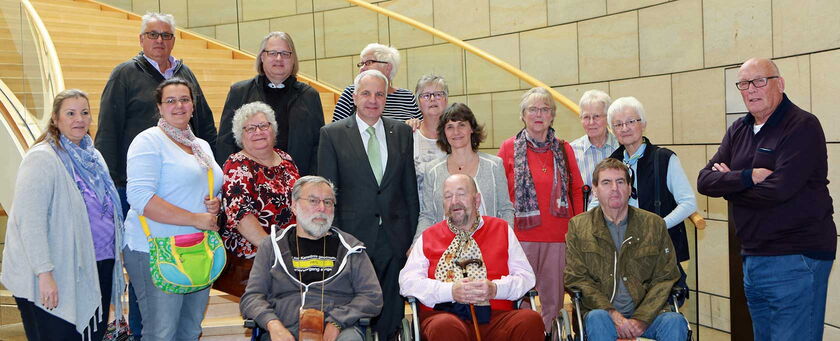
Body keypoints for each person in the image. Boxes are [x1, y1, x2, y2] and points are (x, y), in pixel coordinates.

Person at [94, 13, 218, 336]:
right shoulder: (124, 75)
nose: (160, 40)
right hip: (143, 210)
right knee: (154, 321)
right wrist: (113, 191)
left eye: (166, 35)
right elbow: (107, 133)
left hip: (190, 238)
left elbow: (206, 126)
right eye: (153, 34)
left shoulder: (185, 74)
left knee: (186, 326)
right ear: (141, 39)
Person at [697, 57, 836, 341]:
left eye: (759, 81)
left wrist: (729, 183)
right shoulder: (739, 129)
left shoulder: (802, 126)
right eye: (744, 84)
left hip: (796, 258)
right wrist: (748, 176)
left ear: (780, 84)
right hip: (753, 258)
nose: (751, 89)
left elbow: (779, 190)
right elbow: (704, 180)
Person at [0, 90, 125, 341]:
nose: (79, 119)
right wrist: (44, 274)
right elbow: (30, 222)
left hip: (95, 265)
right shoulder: (42, 158)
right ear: (55, 119)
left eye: (84, 112)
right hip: (54, 271)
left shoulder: (94, 156)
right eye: (70, 113)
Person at [317, 69, 419, 338]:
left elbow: (409, 189)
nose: (373, 100)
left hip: (394, 239)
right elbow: (328, 195)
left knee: (390, 314)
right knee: (355, 312)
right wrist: (334, 238)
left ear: (386, 98)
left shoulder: (401, 133)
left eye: (379, 94)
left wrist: (411, 238)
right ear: (354, 97)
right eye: (366, 93)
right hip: (351, 239)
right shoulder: (332, 134)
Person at [122, 78, 224, 340]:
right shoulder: (148, 141)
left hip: (197, 248)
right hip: (155, 248)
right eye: (170, 100)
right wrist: (195, 218)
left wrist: (215, 202)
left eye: (184, 99)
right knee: (161, 333)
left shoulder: (201, 145)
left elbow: (204, 187)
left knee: (190, 330)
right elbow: (140, 198)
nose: (178, 105)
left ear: (193, 105)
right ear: (159, 106)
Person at [399, 174, 543, 341]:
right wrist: (450, 291)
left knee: (529, 320)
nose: (454, 201)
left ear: (477, 199)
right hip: (445, 316)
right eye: (448, 196)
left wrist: (495, 289)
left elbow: (526, 277)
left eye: (461, 194)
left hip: (496, 317)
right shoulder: (428, 236)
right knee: (444, 327)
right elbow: (407, 282)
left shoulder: (501, 229)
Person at [240, 176, 383, 341]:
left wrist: (337, 322)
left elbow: (372, 296)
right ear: (294, 206)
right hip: (284, 326)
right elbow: (252, 297)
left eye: (328, 202)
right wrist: (273, 324)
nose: (322, 208)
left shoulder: (351, 248)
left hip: (339, 328)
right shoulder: (272, 246)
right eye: (313, 201)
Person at [565, 158, 687, 341]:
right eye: (606, 182)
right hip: (602, 315)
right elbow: (576, 278)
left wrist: (641, 319)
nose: (614, 188)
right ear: (596, 190)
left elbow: (666, 277)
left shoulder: (653, 224)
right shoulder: (579, 226)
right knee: (598, 318)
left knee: (675, 321)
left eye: (620, 181)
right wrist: (614, 315)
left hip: (648, 316)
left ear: (630, 189)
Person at [587, 96, 696, 295]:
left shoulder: (664, 158)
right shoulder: (611, 162)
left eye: (631, 121)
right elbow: (595, 203)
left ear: (643, 124)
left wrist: (657, 226)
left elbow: (688, 203)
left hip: (660, 252)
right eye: (618, 124)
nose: (625, 128)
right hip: (620, 253)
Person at [497, 87, 584, 331]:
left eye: (545, 109)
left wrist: (576, 230)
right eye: (532, 109)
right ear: (522, 115)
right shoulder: (508, 148)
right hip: (521, 238)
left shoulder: (564, 149)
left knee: (553, 302)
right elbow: (500, 194)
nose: (539, 114)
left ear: (553, 115)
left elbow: (576, 190)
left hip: (558, 238)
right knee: (521, 300)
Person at [218, 101, 301, 296]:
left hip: (291, 253)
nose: (259, 132)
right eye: (250, 128)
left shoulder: (286, 159)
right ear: (241, 135)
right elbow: (241, 217)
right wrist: (276, 252)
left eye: (264, 126)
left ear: (273, 130)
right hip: (257, 257)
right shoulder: (237, 165)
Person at [215, 32, 324, 175]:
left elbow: (319, 146)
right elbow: (225, 142)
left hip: (297, 183)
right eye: (272, 53)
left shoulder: (309, 96)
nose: (279, 59)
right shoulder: (240, 92)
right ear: (262, 57)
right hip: (249, 183)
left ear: (293, 60)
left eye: (285, 53)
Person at [416, 102, 514, 239]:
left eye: (461, 125)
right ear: (444, 132)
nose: (456, 132)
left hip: (489, 244)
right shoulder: (432, 170)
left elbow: (505, 209)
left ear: (471, 129)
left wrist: (506, 241)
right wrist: (416, 244)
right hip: (446, 249)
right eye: (450, 127)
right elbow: (427, 216)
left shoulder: (494, 165)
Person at [331, 43, 420, 122]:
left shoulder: (408, 97)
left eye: (368, 62)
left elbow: (423, 128)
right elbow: (336, 131)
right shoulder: (351, 92)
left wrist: (415, 124)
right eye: (361, 64)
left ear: (387, 68)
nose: (362, 68)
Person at [569, 90, 619, 205]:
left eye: (596, 116)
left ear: (608, 118)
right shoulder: (571, 152)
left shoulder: (622, 148)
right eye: (586, 117)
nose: (591, 122)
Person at [411, 74, 448, 203]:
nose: (433, 99)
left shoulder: (457, 135)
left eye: (438, 94)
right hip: (419, 215)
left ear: (446, 100)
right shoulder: (410, 136)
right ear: (418, 103)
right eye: (426, 95)